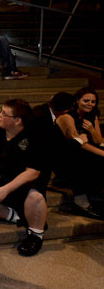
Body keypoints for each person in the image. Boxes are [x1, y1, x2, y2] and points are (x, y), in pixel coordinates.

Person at [0, 99, 49, 256]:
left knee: (36, 196)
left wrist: (6, 189)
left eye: (4, 113)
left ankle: (36, 236)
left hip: (20, 182)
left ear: (17, 120)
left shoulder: (35, 136)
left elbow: (33, 172)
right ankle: (17, 216)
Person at [55, 87, 104, 216]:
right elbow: (78, 143)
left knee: (98, 154)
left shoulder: (92, 115)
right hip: (66, 154)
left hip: (85, 150)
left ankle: (97, 196)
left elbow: (98, 140)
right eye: (86, 101)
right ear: (77, 101)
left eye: (93, 102)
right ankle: (86, 199)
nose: (90, 104)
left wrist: (92, 130)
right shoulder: (67, 116)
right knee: (94, 157)